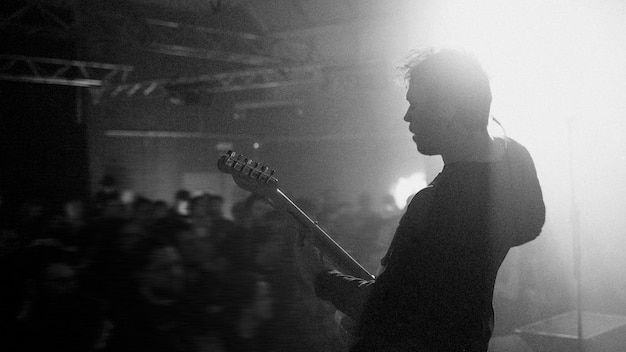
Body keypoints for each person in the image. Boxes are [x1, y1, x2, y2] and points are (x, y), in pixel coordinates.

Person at [310, 48, 546, 352]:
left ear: (446, 110)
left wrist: (320, 277)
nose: (407, 116)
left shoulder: (433, 204)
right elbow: (531, 226)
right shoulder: (516, 159)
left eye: (414, 104)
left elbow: (382, 308)